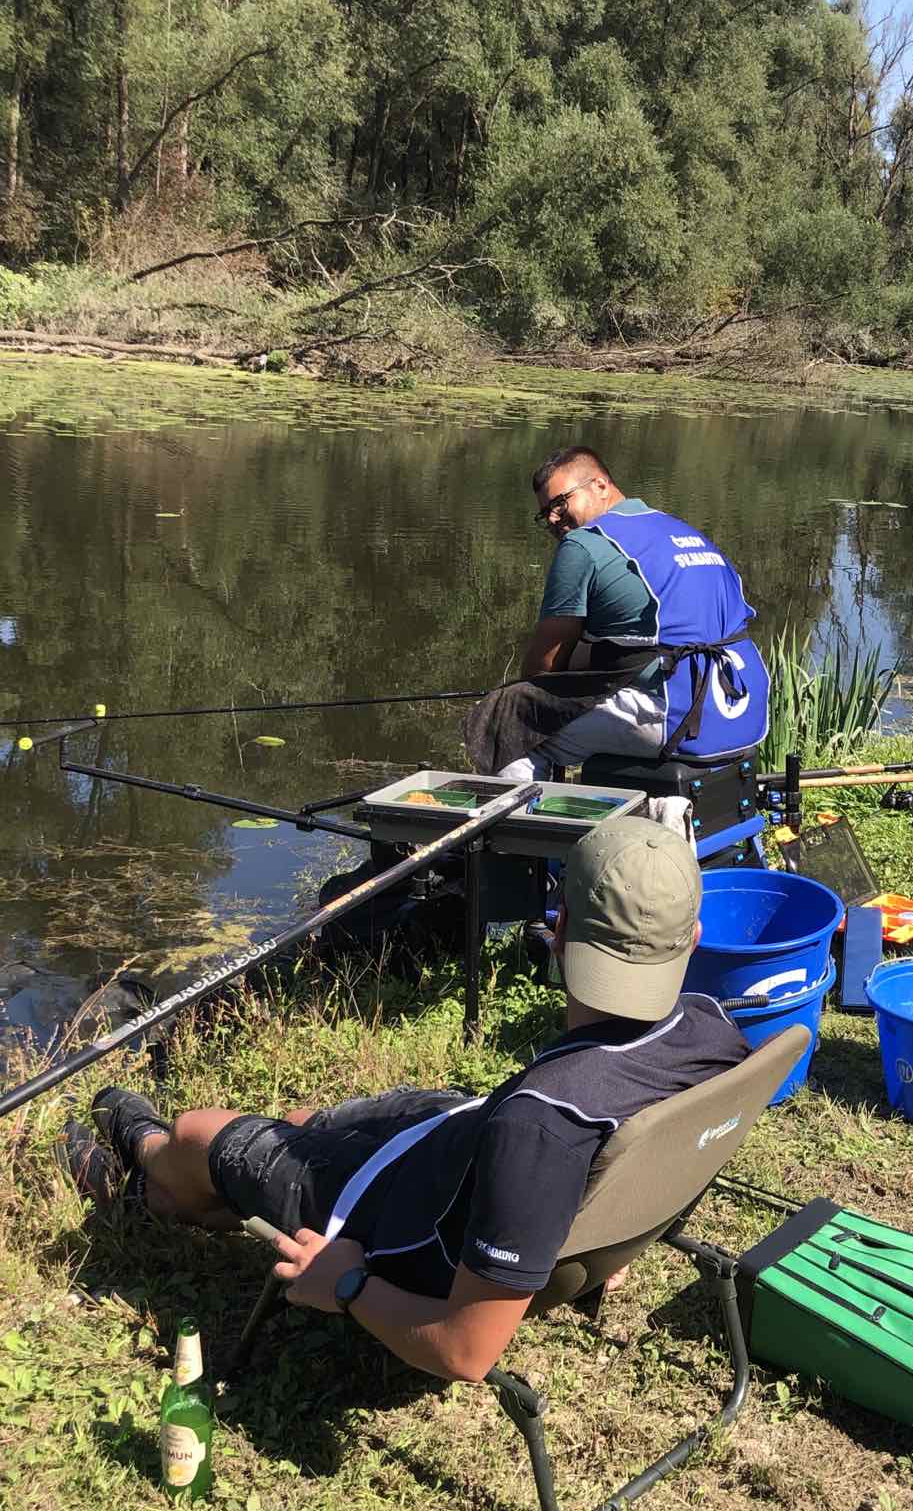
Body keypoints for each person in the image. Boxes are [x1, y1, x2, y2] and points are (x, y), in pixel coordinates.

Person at [66, 820, 749, 1384]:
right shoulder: (712, 1031)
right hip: (454, 1141)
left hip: (407, 1217)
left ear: (561, 926)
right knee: (306, 1125)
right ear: (689, 939)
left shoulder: (542, 1126)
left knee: (198, 1133)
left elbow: (464, 1352)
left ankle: (143, 1166)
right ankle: (176, 1181)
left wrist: (349, 1285)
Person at [464, 446, 770, 782]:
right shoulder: (679, 529)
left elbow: (542, 670)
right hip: (746, 713)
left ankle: (524, 830)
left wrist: (521, 698)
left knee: (508, 720)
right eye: (545, 513)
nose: (553, 518)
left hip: (681, 717)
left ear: (600, 485)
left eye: (560, 503)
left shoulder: (583, 544)